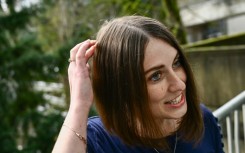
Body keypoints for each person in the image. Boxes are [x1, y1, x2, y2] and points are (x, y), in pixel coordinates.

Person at [52, 16, 224, 153]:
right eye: (156, 76)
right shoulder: (97, 140)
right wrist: (79, 104)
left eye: (176, 63)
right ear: (124, 88)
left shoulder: (202, 119)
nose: (178, 84)